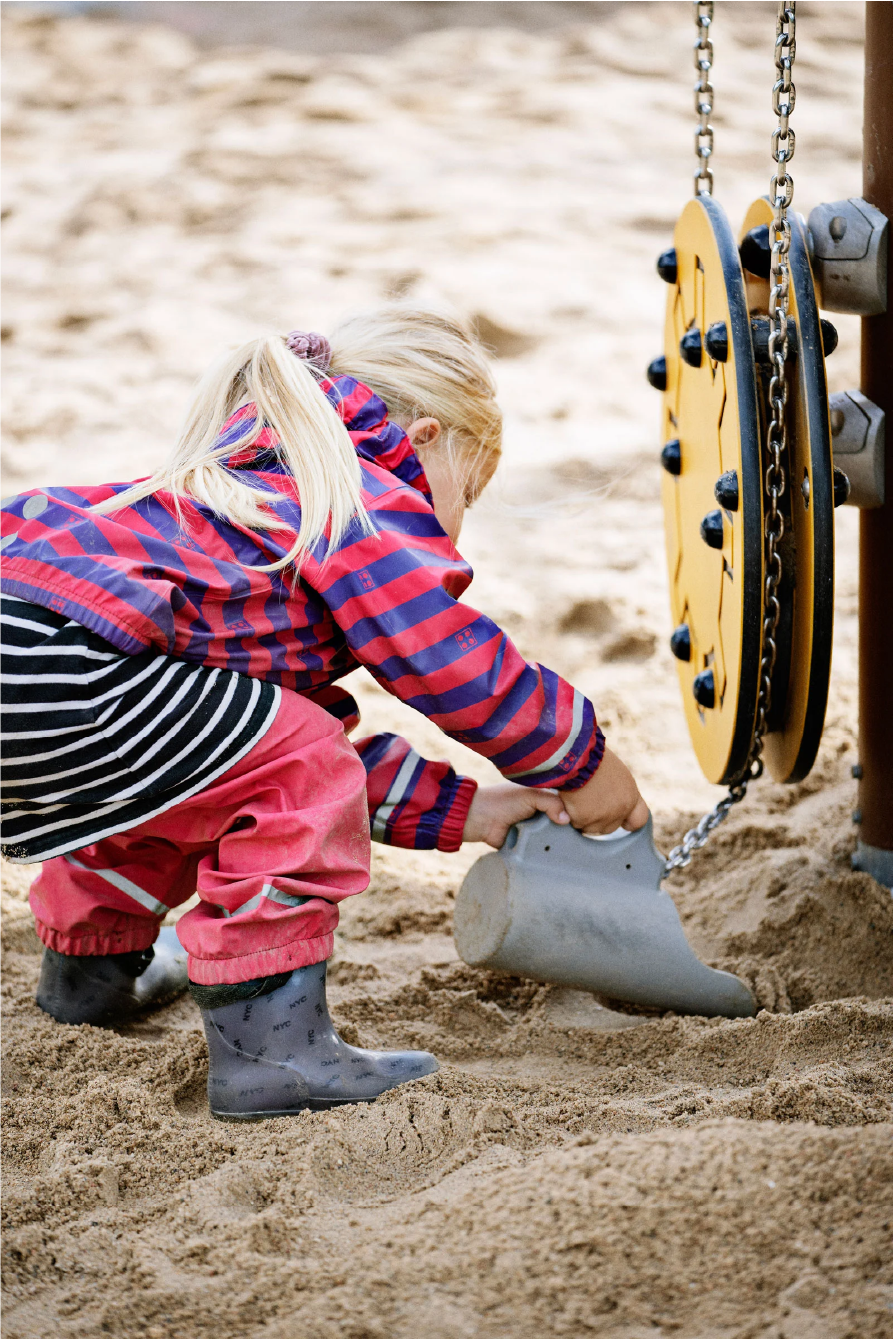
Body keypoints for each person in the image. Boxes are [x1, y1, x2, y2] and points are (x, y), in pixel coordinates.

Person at [0, 307, 647, 1121]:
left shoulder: (229, 507)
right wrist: (579, 761)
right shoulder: (358, 494)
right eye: (465, 497)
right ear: (421, 441)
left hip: (32, 648)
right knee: (280, 755)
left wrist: (469, 810)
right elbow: (445, 659)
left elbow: (270, 754)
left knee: (191, 776)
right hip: (62, 664)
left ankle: (91, 975)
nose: (452, 530)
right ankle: (272, 1052)